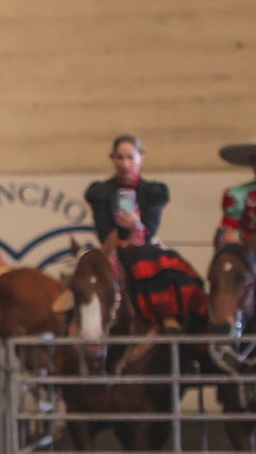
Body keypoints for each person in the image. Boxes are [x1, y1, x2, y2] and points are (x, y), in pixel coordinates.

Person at [84, 133, 204, 330]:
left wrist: (137, 226)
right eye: (120, 158)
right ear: (112, 159)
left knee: (168, 266)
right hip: (115, 250)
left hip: (145, 249)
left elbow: (150, 229)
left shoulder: (152, 192)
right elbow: (104, 233)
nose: (125, 164)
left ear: (140, 157)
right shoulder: (101, 193)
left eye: (130, 157)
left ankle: (172, 319)